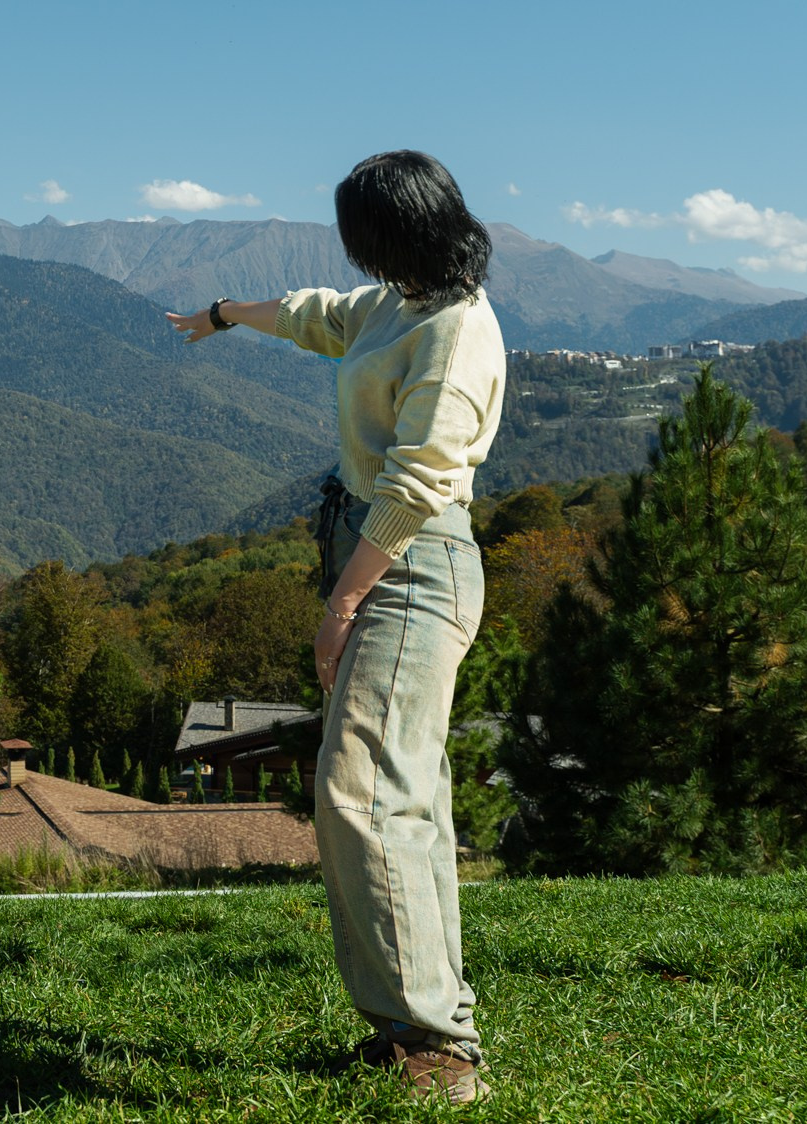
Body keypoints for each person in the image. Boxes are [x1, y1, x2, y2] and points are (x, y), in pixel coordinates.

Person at [167, 150, 505, 1104]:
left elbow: (420, 483)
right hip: (377, 551)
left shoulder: (457, 332)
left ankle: (436, 1045)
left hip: (410, 563)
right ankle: (424, 1024)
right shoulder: (402, 302)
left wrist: (346, 600)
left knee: (360, 788)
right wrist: (229, 315)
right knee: (408, 795)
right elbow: (321, 315)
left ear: (401, 234)